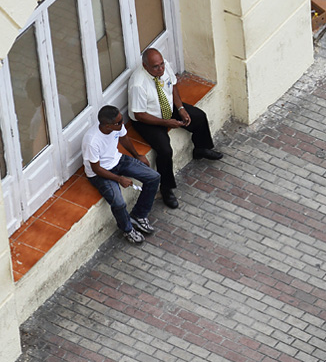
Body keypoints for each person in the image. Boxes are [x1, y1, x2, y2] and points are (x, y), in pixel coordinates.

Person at [127, 47, 222, 209]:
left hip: (167, 107)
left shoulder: (165, 68)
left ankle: (201, 148)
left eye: (161, 64)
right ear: (145, 66)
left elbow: (174, 87)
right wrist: (166, 123)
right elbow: (139, 114)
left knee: (198, 117)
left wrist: (180, 109)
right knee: (164, 150)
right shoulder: (138, 84)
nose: (161, 69)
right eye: (156, 67)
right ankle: (166, 188)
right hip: (148, 119)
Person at [83, 105, 161, 244]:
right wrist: (119, 179)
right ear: (108, 125)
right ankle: (127, 229)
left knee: (154, 177)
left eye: (122, 120)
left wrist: (137, 156)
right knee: (118, 203)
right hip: (101, 173)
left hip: (118, 160)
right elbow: (96, 169)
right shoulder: (92, 141)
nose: (122, 123)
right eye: (118, 122)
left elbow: (124, 138)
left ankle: (139, 215)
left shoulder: (117, 127)